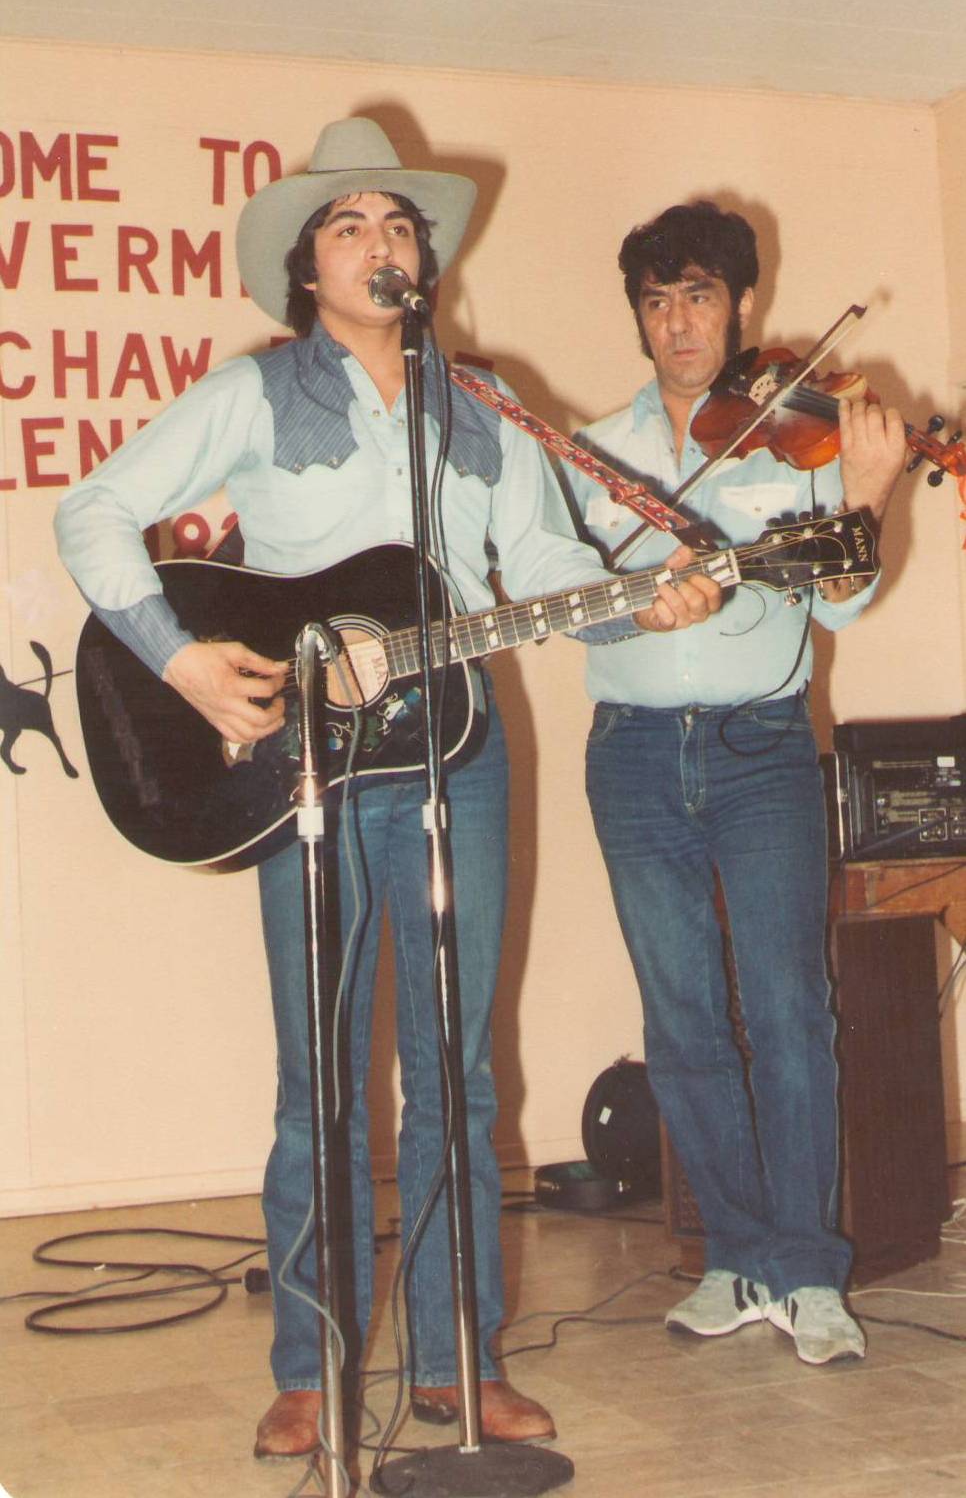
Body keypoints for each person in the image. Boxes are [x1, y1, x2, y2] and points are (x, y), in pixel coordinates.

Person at [54, 120, 720, 1458]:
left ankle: (452, 1359)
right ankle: (309, 1361)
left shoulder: (484, 406)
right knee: (320, 1083)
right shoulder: (254, 394)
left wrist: (648, 604)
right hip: (305, 772)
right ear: (308, 266)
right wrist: (184, 663)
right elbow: (93, 513)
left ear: (423, 259)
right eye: (349, 223)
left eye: (398, 224)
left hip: (458, 763)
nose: (380, 242)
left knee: (456, 1076)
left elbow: (541, 570)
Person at [560, 201, 906, 1367]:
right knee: (683, 1016)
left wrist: (867, 497)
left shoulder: (788, 430)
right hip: (636, 754)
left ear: (742, 305)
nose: (678, 324)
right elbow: (574, 615)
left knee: (790, 1007)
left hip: (761, 748)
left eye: (698, 296)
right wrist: (631, 594)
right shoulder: (591, 450)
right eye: (656, 303)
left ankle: (809, 1268)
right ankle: (735, 1255)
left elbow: (843, 599)